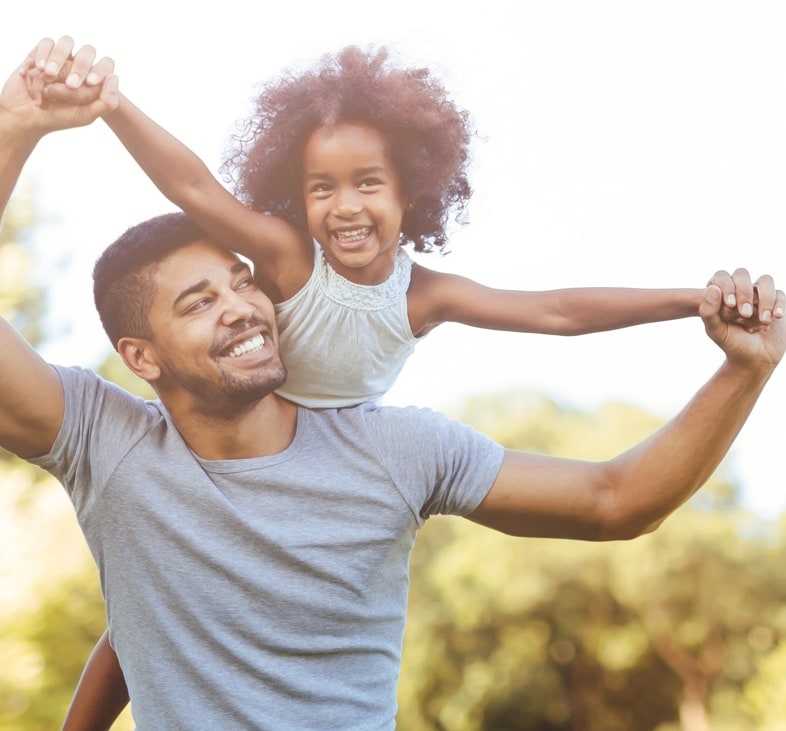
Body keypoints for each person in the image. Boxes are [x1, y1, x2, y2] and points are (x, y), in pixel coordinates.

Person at [8, 40, 783, 730]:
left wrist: (741, 366)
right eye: (197, 302)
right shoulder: (108, 444)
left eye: (241, 283)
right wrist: (19, 127)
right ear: (140, 357)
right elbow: (196, 187)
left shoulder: (399, 446)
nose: (242, 305)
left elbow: (617, 498)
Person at [29, 36, 770, 413]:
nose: (345, 206)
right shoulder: (290, 259)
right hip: (242, 437)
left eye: (368, 184)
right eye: (321, 188)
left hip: (341, 459)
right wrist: (113, 107)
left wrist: (693, 300)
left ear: (411, 193)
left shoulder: (424, 295)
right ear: (296, 195)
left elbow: (556, 311)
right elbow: (195, 187)